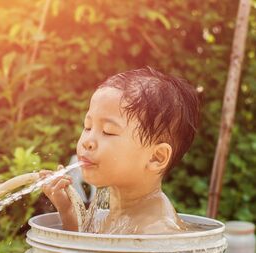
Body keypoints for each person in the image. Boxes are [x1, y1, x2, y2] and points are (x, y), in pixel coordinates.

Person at [39, 67, 200, 234]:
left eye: (108, 131)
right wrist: (68, 211)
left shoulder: (156, 230)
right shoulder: (113, 215)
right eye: (87, 127)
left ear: (156, 158)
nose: (87, 142)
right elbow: (86, 251)